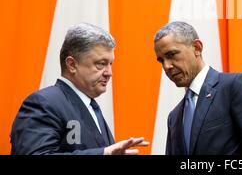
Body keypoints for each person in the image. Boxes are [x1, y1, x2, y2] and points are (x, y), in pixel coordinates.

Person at [10, 23, 148, 155]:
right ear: (72, 65)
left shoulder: (91, 107)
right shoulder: (43, 103)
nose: (109, 72)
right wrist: (104, 153)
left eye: (110, 64)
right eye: (101, 64)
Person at [154, 21, 242, 155]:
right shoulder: (174, 117)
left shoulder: (236, 87)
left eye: (171, 55)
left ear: (197, 48)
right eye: (161, 60)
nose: (167, 66)